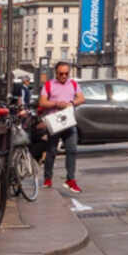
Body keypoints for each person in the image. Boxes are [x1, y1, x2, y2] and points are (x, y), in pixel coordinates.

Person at [38, 61, 83, 193]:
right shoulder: (49, 84)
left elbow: (81, 98)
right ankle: (47, 178)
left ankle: (70, 180)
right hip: (54, 122)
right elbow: (42, 102)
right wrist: (57, 104)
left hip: (69, 121)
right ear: (56, 73)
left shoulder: (73, 84)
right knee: (51, 151)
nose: (64, 76)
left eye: (66, 73)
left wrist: (71, 102)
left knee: (72, 150)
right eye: (61, 74)